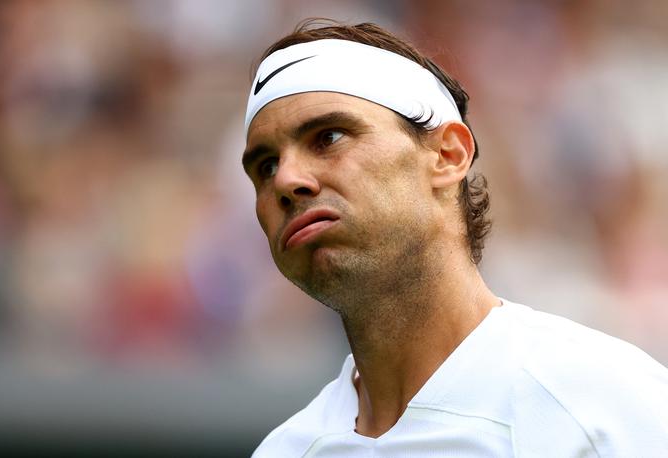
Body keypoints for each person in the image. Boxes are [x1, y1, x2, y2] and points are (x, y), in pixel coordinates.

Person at [241, 20, 668, 457]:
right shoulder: (284, 451)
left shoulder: (609, 412)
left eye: (328, 137)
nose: (286, 180)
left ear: (448, 155)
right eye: (265, 167)